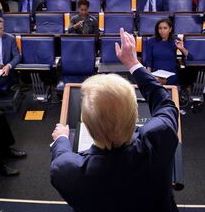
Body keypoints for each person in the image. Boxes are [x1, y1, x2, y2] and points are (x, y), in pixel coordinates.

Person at [50, 28, 179, 211]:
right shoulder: (159, 136)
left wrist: (62, 138)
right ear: (134, 114)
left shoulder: (68, 171)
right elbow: (165, 104)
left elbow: (61, 155)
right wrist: (133, 63)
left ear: (87, 124)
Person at [145, 18, 188, 85]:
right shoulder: (151, 41)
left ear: (170, 29)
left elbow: (188, 55)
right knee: (156, 80)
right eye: (160, 28)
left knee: (164, 82)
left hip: (171, 73)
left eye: (165, 28)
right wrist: (148, 74)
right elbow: (149, 61)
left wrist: (181, 48)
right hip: (156, 72)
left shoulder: (175, 40)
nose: (162, 31)